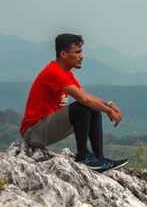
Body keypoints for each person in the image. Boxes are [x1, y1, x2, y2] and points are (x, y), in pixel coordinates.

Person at [20, 33, 128, 173]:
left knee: (92, 108)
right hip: (34, 132)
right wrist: (108, 111)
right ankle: (82, 155)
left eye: (81, 52)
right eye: (77, 52)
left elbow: (86, 96)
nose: (81, 56)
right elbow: (84, 100)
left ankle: (99, 159)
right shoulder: (53, 72)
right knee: (82, 108)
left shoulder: (66, 73)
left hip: (46, 127)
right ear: (64, 54)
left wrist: (108, 105)